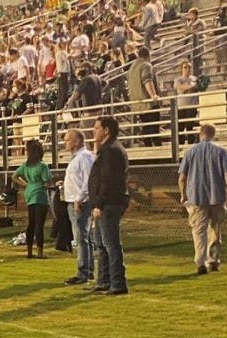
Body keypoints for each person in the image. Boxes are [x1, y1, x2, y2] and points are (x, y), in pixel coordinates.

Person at [179, 124, 227, 275]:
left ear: (200, 134)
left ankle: (200, 262)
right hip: (217, 196)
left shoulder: (190, 152)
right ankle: (213, 260)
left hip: (196, 197)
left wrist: (183, 195)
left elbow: (182, 177)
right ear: (213, 134)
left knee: (199, 231)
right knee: (215, 229)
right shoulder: (222, 151)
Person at [89, 116, 130, 295]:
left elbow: (108, 180)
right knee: (100, 243)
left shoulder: (112, 150)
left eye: (97, 128)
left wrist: (99, 203)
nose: (94, 131)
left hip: (109, 203)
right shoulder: (108, 149)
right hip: (106, 202)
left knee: (111, 244)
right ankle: (104, 280)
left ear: (106, 130)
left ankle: (117, 283)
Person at [61, 129, 96, 285]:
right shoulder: (76, 158)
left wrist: (79, 198)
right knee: (83, 238)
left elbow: (89, 180)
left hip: (80, 202)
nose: (65, 143)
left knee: (81, 238)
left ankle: (84, 272)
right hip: (74, 200)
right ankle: (87, 270)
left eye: (68, 140)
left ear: (77, 141)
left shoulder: (84, 157)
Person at [15, 140, 54, 259]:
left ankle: (29, 252)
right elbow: (48, 182)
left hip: (30, 194)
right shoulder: (42, 166)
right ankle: (40, 252)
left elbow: (14, 176)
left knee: (31, 224)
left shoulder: (25, 166)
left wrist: (26, 184)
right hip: (40, 195)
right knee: (39, 225)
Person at [127, 47, 162, 148]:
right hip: (148, 103)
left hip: (138, 103)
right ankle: (158, 150)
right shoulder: (146, 65)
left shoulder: (132, 67)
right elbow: (147, 81)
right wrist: (153, 95)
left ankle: (148, 149)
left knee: (146, 128)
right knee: (154, 129)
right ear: (148, 55)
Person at [174, 60, 200, 145]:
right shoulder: (178, 79)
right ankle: (180, 145)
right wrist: (191, 86)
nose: (187, 69)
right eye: (185, 67)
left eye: (189, 67)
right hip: (181, 106)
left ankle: (191, 145)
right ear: (181, 69)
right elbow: (180, 87)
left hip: (192, 105)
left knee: (189, 126)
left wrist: (192, 86)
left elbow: (199, 87)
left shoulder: (194, 78)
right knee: (180, 127)